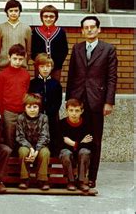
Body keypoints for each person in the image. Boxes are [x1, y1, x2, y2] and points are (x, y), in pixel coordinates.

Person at [65, 15, 117, 188]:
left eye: (92, 27)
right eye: (86, 27)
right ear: (82, 30)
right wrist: (68, 101)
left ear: (98, 29)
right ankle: (75, 175)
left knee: (94, 140)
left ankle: (92, 176)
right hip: (77, 101)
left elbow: (111, 78)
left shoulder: (108, 49)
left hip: (96, 101)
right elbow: (71, 75)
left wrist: (108, 102)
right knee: (75, 137)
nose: (89, 30)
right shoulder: (77, 48)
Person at [0, 43, 30, 150]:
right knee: (9, 139)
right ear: (9, 57)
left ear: (24, 58)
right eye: (15, 58)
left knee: (22, 138)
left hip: (22, 112)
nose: (17, 62)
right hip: (8, 112)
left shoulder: (26, 74)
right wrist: (2, 112)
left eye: (20, 59)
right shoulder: (3, 75)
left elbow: (27, 92)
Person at [29, 53, 63, 155]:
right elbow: (31, 100)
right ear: (37, 67)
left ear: (51, 67)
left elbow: (58, 102)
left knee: (51, 140)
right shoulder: (33, 83)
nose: (45, 69)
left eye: (47, 66)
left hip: (51, 117)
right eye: (42, 66)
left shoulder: (56, 84)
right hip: (36, 117)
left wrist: (49, 113)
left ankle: (48, 165)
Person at [16, 93, 51, 191]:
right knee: (22, 151)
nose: (32, 110)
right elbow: (19, 137)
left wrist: (36, 151)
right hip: (26, 145)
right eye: (29, 107)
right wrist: (30, 148)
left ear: (39, 107)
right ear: (24, 108)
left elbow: (45, 136)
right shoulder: (21, 118)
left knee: (45, 153)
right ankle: (24, 179)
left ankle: (42, 179)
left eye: (35, 107)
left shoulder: (44, 118)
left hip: (40, 145)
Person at [58, 98, 93, 192]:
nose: (74, 113)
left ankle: (81, 181)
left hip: (80, 153)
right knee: (65, 153)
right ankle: (71, 181)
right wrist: (81, 142)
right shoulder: (61, 124)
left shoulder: (87, 124)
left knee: (85, 152)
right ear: (66, 111)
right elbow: (59, 144)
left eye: (77, 111)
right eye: (71, 110)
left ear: (82, 111)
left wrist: (73, 143)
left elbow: (89, 144)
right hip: (66, 153)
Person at [31, 5, 68, 81]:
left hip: (56, 68)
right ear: (41, 17)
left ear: (56, 18)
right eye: (45, 16)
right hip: (40, 68)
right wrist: (39, 63)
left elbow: (64, 50)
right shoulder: (36, 31)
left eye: (51, 16)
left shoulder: (61, 32)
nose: (48, 19)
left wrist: (55, 65)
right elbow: (32, 50)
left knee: (54, 88)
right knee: (39, 88)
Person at [0, 0, 31, 68]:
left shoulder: (26, 28)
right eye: (11, 11)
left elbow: (28, 49)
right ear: (7, 12)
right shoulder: (0, 27)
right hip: (5, 64)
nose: (13, 13)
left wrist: (26, 60)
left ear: (19, 12)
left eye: (16, 11)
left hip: (21, 64)